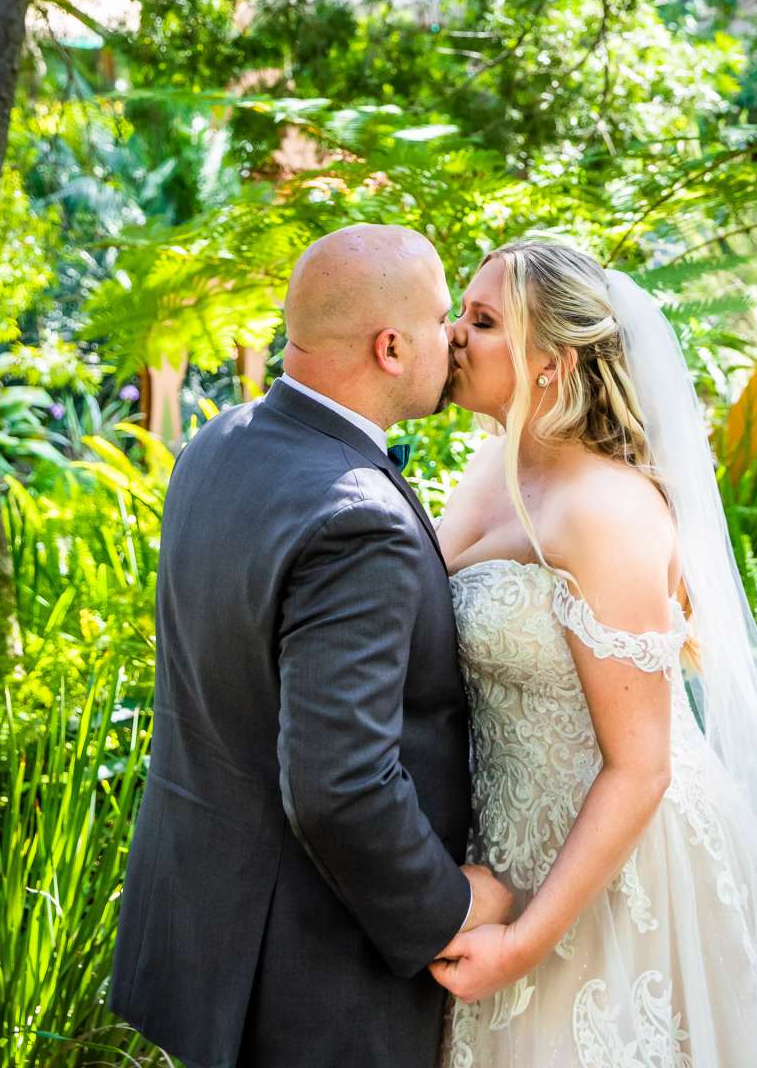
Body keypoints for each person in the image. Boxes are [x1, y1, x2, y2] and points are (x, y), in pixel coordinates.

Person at [432, 236, 757, 1068]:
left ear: (553, 364)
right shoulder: (495, 468)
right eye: (461, 313)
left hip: (622, 874)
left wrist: (526, 943)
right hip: (509, 846)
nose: (453, 334)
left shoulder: (607, 509)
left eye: (484, 320)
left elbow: (641, 767)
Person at [109, 221, 513, 1068]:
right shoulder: (356, 519)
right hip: (310, 973)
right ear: (392, 348)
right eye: (444, 318)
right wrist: (446, 905)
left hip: (206, 930)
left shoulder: (217, 441)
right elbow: (339, 785)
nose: (453, 337)